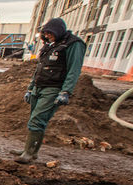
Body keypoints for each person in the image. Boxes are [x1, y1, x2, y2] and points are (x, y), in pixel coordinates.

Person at [12, 17, 86, 163]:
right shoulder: (50, 46)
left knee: (37, 120)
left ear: (57, 31)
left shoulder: (72, 44)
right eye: (45, 33)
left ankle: (30, 153)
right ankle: (30, 149)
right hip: (39, 86)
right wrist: (30, 88)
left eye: (50, 33)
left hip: (53, 88)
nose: (47, 36)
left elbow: (74, 70)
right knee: (34, 119)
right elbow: (39, 69)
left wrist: (66, 91)